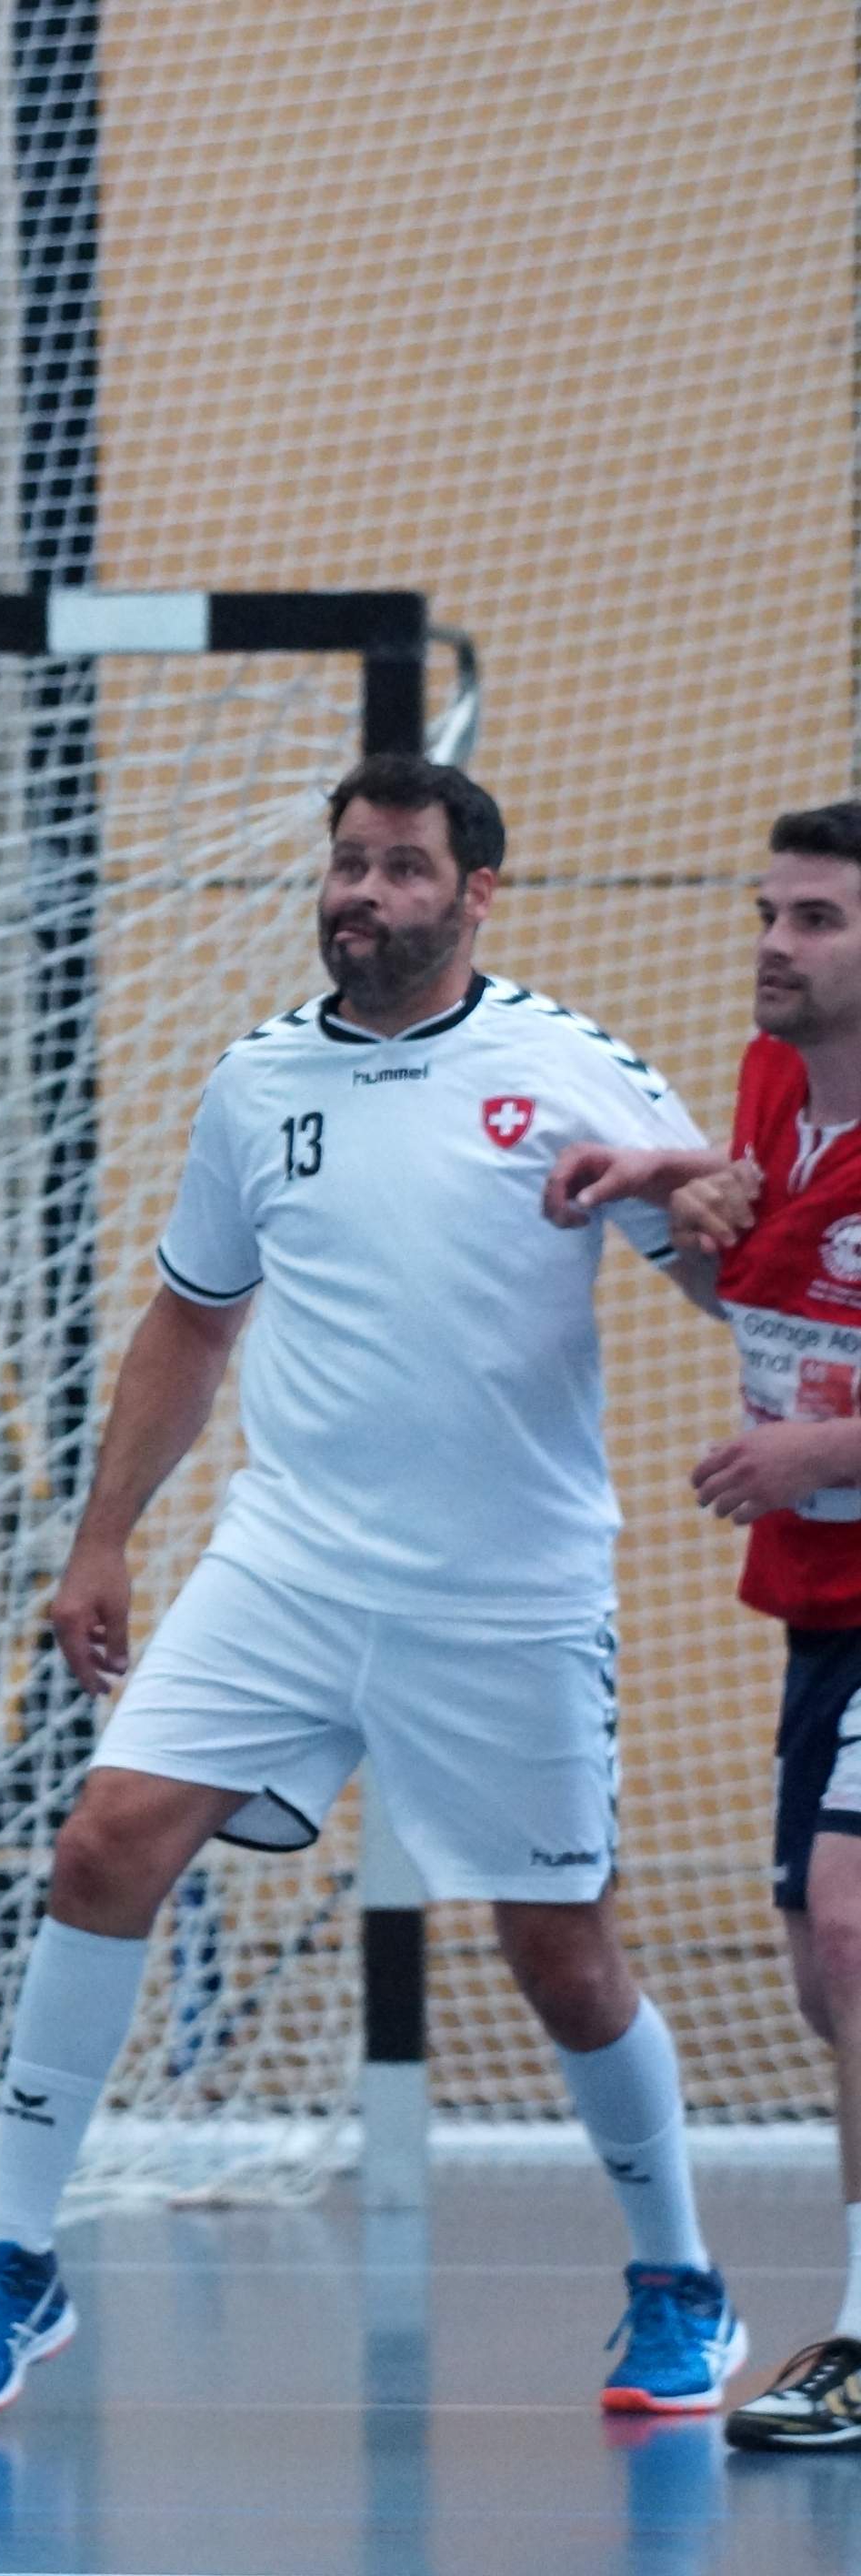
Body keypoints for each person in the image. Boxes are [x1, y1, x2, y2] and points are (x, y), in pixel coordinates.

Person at [0, 755, 732, 2423]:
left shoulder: (570, 1069)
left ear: (477, 892)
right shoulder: (255, 1082)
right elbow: (192, 1320)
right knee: (104, 1840)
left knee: (560, 1953)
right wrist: (103, 1534)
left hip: (506, 1586)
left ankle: (682, 2278)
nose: (365, 895)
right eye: (349, 865)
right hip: (286, 1561)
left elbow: (729, 1279)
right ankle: (12, 2255)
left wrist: (693, 1201)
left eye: (405, 869)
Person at [562, 799, 861, 2450]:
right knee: (833, 1987)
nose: (774, 941)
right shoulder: (765, 1099)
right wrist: (669, 1203)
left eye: (817, 919)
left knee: (847, 1929)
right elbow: (758, 1299)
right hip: (824, 1603)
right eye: (771, 910)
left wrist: (825, 1450)